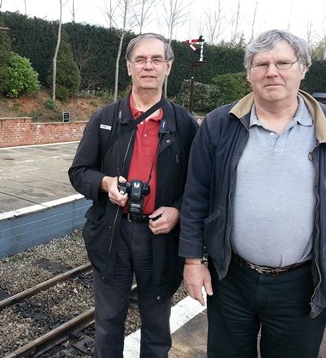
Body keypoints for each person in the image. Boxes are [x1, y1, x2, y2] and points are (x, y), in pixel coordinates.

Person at [179, 29, 326, 358]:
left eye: (283, 62)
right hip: (232, 279)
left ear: (303, 68)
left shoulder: (324, 126)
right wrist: (193, 260)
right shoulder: (220, 123)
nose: (271, 71)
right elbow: (196, 195)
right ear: (249, 74)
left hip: (303, 285)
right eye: (261, 64)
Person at [68, 32, 199, 357]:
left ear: (168, 66)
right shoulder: (105, 119)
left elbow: (200, 186)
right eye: (140, 59)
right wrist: (106, 184)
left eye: (156, 59)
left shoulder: (183, 123)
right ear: (128, 67)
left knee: (157, 326)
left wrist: (178, 212)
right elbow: (79, 172)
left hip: (160, 240)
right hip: (114, 233)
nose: (148, 66)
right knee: (108, 322)